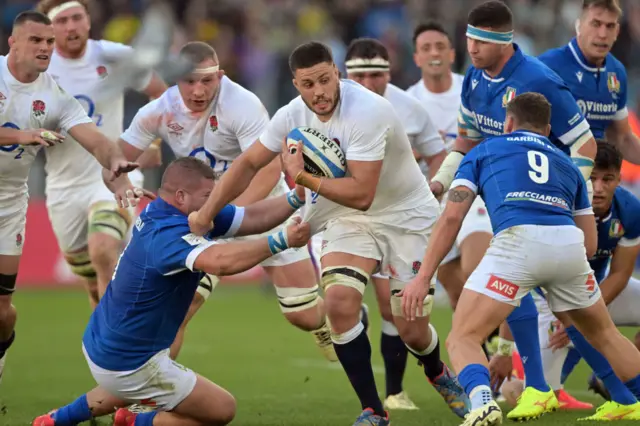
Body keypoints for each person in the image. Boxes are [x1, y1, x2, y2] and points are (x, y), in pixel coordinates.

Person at [189, 41, 469, 425]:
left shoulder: (368, 110)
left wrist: (300, 176)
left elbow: (363, 193)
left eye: (324, 79)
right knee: (337, 302)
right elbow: (249, 162)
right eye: (308, 84)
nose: (318, 92)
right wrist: (206, 212)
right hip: (346, 217)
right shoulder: (292, 114)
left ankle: (437, 371)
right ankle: (373, 410)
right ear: (296, 84)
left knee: (411, 329)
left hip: (405, 217)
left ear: (337, 72)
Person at [402, 92, 640, 426]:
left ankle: (483, 403)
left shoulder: (484, 150)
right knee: (605, 334)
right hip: (569, 247)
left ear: (508, 123)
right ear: (546, 130)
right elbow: (589, 243)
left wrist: (423, 276)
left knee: (463, 336)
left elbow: (451, 218)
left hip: (517, 243)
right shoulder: (567, 164)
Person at [32, 157, 312, 426]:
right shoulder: (167, 235)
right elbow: (221, 262)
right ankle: (137, 422)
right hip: (130, 360)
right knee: (222, 408)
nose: (215, 202)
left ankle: (58, 419)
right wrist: (282, 241)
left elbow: (249, 217)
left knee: (122, 382)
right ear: (181, 195)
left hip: (103, 343)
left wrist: (295, 197)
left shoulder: (167, 211)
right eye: (208, 196)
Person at [108, 40, 332, 362]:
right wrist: (123, 181)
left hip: (262, 207)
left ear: (221, 75)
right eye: (189, 81)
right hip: (204, 220)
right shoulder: (159, 110)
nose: (198, 90)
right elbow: (115, 161)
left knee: (303, 315)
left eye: (207, 81)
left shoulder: (242, 104)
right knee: (181, 309)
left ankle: (328, 321)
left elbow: (267, 169)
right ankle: (152, 393)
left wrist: (226, 214)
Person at [429, 1, 598, 419]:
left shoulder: (538, 80)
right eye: (467, 38)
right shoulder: (472, 78)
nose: (469, 48)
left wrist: (566, 192)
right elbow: (466, 139)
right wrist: (439, 182)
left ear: (502, 43)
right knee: (489, 282)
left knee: (505, 287)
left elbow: (586, 145)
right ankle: (535, 384)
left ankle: (520, 374)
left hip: (536, 204)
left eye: (478, 41)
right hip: (491, 191)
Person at [0, 10, 136, 385]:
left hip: (9, 203)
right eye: (36, 41)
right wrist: (20, 136)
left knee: (3, 314)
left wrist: (118, 167)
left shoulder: (54, 97)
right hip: (53, 193)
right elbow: (20, 135)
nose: (46, 47)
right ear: (13, 42)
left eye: (48, 42)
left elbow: (96, 141)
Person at [335, 36, 446, 411]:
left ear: (390, 73)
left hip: (404, 219)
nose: (368, 84)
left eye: (376, 75)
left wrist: (437, 186)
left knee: (407, 319)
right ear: (345, 75)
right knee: (372, 303)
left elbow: (441, 154)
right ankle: (390, 395)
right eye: (360, 75)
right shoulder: (332, 106)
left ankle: (430, 373)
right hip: (356, 217)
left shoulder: (409, 108)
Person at [35, 0, 167, 308]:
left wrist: (153, 144)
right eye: (62, 20)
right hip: (63, 187)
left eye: (77, 17)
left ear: (88, 21)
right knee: (94, 284)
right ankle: (105, 346)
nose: (71, 26)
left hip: (112, 176)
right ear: (49, 29)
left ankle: (116, 346)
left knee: (104, 249)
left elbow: (161, 93)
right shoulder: (39, 69)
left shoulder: (114, 56)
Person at [533, 142, 640, 409]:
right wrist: (573, 319)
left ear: (619, 178)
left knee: (588, 326)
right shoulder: (558, 205)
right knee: (527, 395)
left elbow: (620, 274)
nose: (599, 187)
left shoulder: (630, 210)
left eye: (608, 179)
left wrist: (587, 314)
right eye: (592, 178)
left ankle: (620, 381)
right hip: (549, 301)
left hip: (599, 292)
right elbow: (542, 272)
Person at [407, 21, 494, 313]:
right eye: (426, 48)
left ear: (452, 54)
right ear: (416, 57)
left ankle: (501, 336)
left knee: (476, 268)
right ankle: (486, 346)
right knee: (457, 293)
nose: (434, 53)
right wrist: (425, 151)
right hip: (431, 202)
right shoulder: (407, 102)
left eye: (440, 47)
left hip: (474, 193)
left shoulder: (471, 90)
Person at [538, 0, 640, 164]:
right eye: (595, 24)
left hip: (598, 176)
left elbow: (622, 138)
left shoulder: (617, 72)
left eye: (610, 26)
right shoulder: (548, 67)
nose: (602, 34)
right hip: (557, 172)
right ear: (579, 26)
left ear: (617, 31)